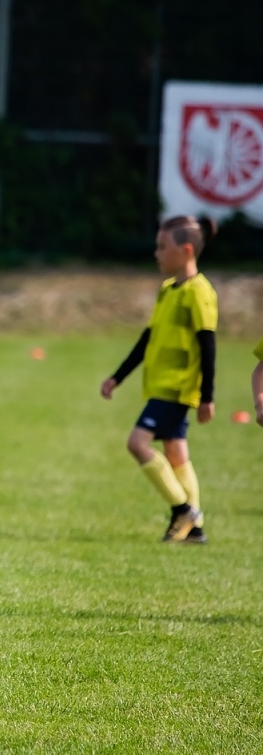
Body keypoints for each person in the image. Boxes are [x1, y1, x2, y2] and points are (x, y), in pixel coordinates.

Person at [101, 215, 218, 543]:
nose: (157, 253)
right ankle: (194, 529)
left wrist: (207, 396)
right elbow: (147, 339)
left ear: (186, 250)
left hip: (177, 387)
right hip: (161, 384)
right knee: (177, 455)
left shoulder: (199, 292)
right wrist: (117, 377)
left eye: (162, 247)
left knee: (137, 444)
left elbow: (207, 346)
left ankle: (184, 510)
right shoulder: (168, 290)